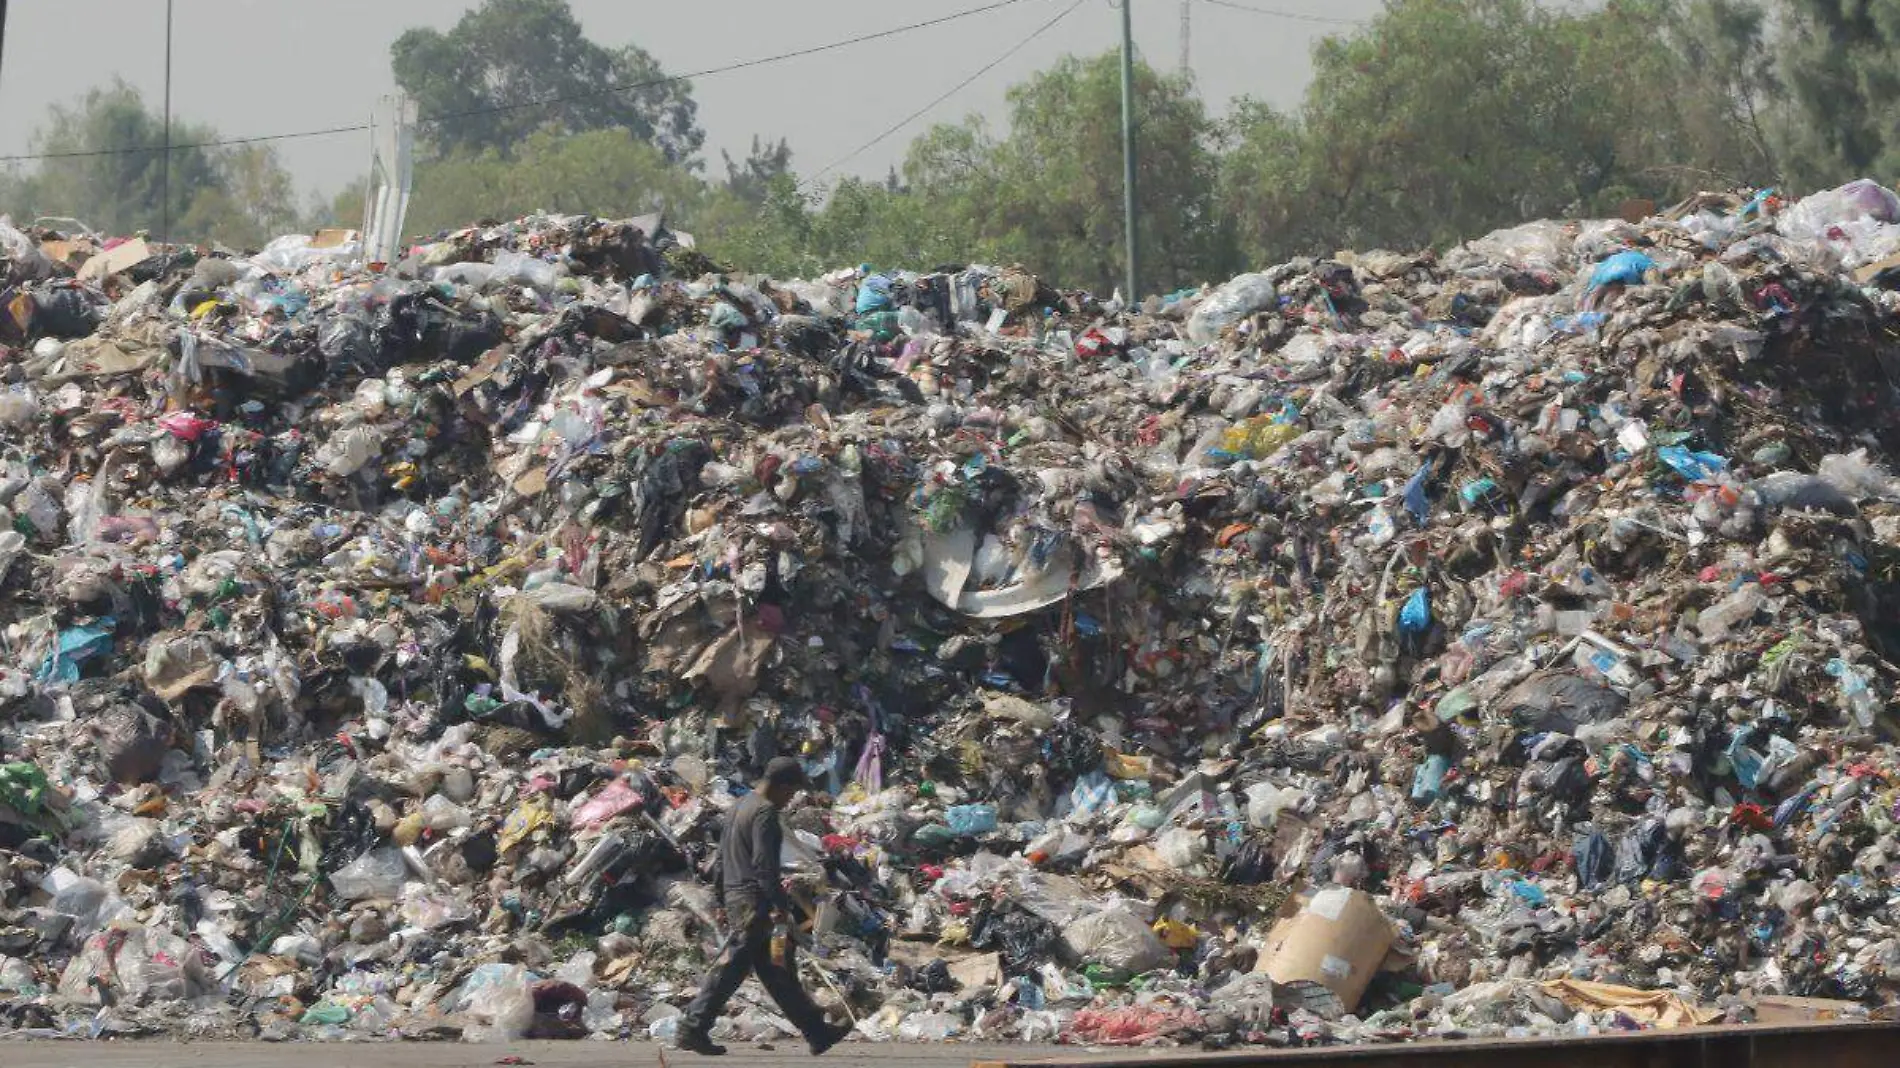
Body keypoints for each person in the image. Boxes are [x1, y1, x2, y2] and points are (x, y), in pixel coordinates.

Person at [675, 757, 852, 1056]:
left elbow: (720, 861)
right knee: (733, 965)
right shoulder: (765, 812)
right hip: (754, 900)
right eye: (792, 791)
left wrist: (722, 897)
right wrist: (779, 904)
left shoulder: (739, 806)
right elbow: (763, 865)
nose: (791, 799)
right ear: (782, 786)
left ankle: (817, 1032)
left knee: (776, 968)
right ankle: (692, 1027)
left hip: (737, 896)